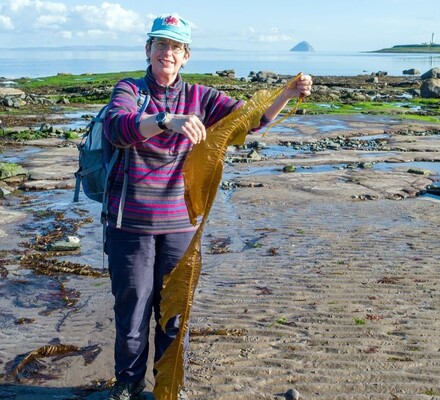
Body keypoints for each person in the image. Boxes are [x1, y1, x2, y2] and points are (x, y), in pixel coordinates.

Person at [103, 14, 312, 400]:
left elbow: (248, 122)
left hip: (181, 221)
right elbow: (117, 127)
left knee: (175, 312)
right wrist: (166, 120)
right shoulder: (130, 89)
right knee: (132, 313)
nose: (167, 52)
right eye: (160, 45)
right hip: (129, 223)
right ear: (148, 50)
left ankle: (169, 385)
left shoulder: (201, 96)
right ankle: (128, 385)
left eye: (175, 48)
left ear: (186, 56)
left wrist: (285, 93)